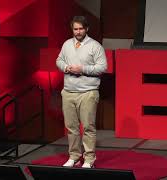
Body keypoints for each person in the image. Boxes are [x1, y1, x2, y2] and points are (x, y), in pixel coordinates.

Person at [56, 16, 107, 168]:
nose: (78, 32)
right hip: (68, 91)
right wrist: (66, 67)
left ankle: (89, 159)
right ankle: (74, 156)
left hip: (88, 92)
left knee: (88, 127)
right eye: (75, 29)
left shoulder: (95, 46)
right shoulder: (67, 44)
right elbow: (59, 60)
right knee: (71, 127)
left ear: (86, 29)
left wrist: (82, 69)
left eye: (80, 29)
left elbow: (102, 67)